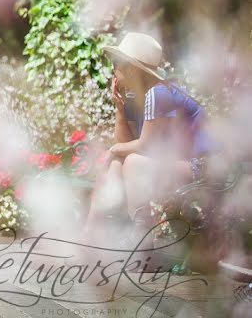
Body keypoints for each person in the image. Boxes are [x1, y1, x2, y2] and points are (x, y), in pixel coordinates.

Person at [85, 31, 212, 232]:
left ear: (132, 70)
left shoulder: (158, 93)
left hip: (204, 167)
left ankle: (141, 238)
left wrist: (113, 149)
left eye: (115, 64)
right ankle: (90, 234)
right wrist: (119, 109)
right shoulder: (143, 96)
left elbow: (143, 145)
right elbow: (129, 143)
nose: (112, 71)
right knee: (120, 162)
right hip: (180, 162)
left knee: (132, 162)